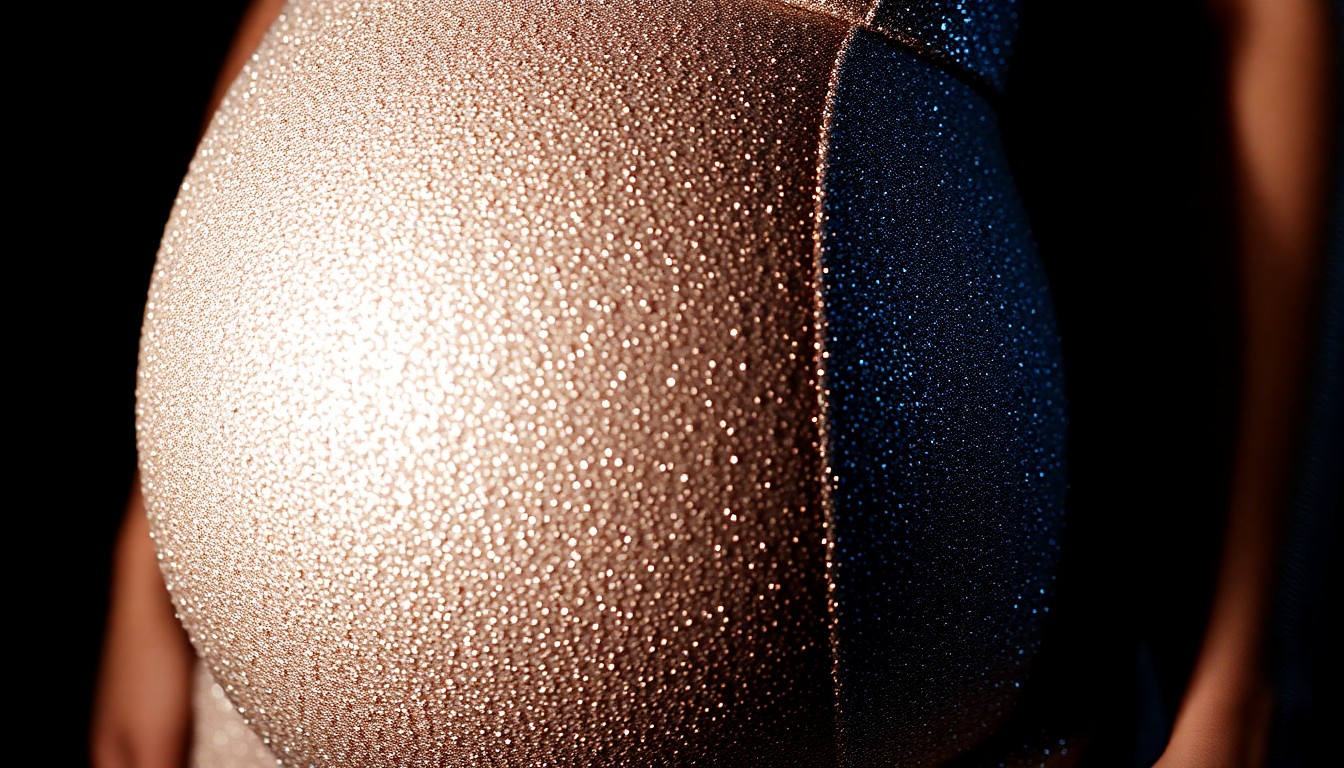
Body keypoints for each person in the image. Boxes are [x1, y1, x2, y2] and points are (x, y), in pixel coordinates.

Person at [93, 1, 1331, 766]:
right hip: (288, 623)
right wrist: (153, 542)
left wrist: (1243, 665)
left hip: (863, 619)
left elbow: (1266, 22)